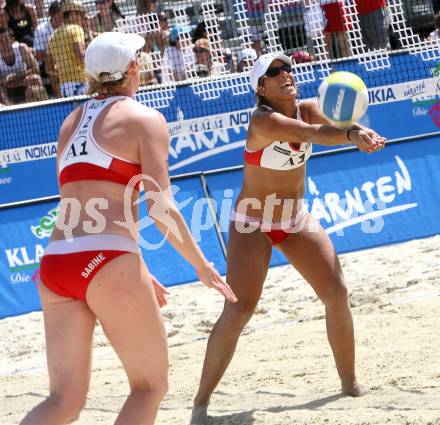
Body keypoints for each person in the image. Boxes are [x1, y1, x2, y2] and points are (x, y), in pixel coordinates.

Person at [20, 31, 236, 425]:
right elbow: (159, 206)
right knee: (149, 386)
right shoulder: (144, 118)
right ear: (132, 67)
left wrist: (134, 268)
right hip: (105, 259)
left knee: (63, 401)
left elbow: (82, 203)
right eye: (142, 56)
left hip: (55, 264)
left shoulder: (70, 122)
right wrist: (201, 265)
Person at [190, 52, 386, 425]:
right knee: (239, 309)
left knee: (337, 292)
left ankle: (349, 383)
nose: (285, 75)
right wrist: (349, 134)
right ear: (261, 88)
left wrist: (361, 131)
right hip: (252, 224)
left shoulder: (309, 107)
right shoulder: (263, 121)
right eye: (274, 72)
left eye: (287, 68)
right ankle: (201, 404)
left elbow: (337, 122)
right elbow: (312, 135)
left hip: (294, 220)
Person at [46, 0, 87, 97]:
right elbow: (81, 55)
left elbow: (48, 68)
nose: (81, 18)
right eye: (80, 14)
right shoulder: (76, 29)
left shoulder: (53, 36)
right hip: (81, 84)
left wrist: (63, 69)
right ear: (72, 14)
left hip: (65, 87)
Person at [0, 26, 45, 104]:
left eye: (6, 40)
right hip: (7, 90)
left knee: (36, 79)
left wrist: (16, 77)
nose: (4, 44)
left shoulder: (21, 48)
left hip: (24, 82)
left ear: (12, 40)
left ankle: (45, 105)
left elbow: (36, 69)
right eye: (1, 41)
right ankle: (8, 110)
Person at [33, 1, 63, 97]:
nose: (61, 20)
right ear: (51, 15)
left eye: (62, 16)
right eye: (59, 16)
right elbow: (38, 54)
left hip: (64, 60)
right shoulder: (41, 30)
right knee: (50, 65)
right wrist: (53, 56)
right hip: (46, 63)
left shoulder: (67, 28)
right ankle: (59, 97)